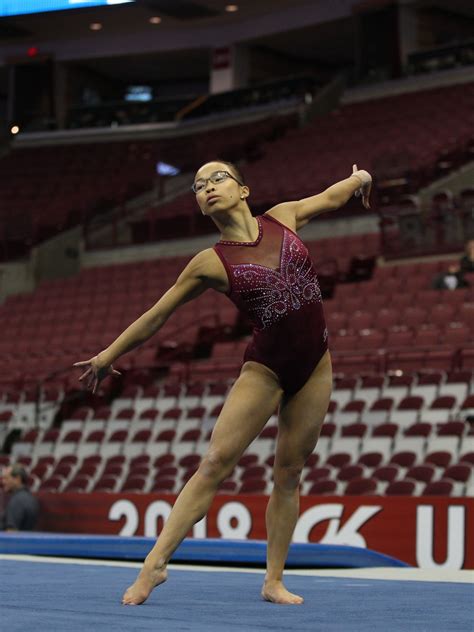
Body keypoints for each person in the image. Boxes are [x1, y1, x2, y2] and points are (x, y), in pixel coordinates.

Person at [74, 160, 372, 605]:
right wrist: (107, 356)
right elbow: (158, 315)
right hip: (266, 369)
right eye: (198, 186)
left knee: (289, 473)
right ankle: (153, 566)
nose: (208, 187)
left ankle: (273, 580)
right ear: (199, 205)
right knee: (214, 462)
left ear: (244, 189)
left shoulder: (284, 217)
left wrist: (359, 179)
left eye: (217, 178)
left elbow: (332, 196)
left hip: (316, 365)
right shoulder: (209, 263)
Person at [0, 464, 39, 531]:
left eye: (6, 478)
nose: (3, 482)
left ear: (17, 479)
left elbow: (11, 532)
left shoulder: (17, 501)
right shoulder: (28, 497)